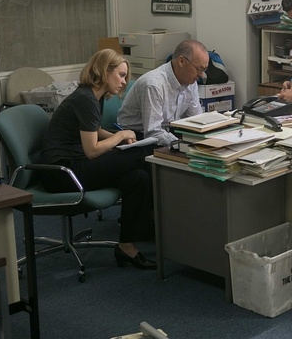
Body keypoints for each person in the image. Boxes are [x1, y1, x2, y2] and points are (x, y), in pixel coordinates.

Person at [41, 49, 157, 269]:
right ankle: (158, 224)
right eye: (121, 75)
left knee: (138, 178)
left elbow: (93, 130)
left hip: (77, 165)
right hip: (62, 173)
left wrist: (117, 136)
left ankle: (127, 246)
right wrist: (120, 136)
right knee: (142, 154)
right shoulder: (85, 99)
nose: (124, 82)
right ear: (105, 72)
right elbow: (92, 151)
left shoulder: (95, 96)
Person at [117, 39, 208, 146]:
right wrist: (182, 145)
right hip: (136, 138)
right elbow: (153, 133)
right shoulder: (154, 85)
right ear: (181, 61)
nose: (201, 75)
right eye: (198, 69)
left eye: (204, 70)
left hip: (165, 131)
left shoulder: (190, 83)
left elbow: (197, 121)